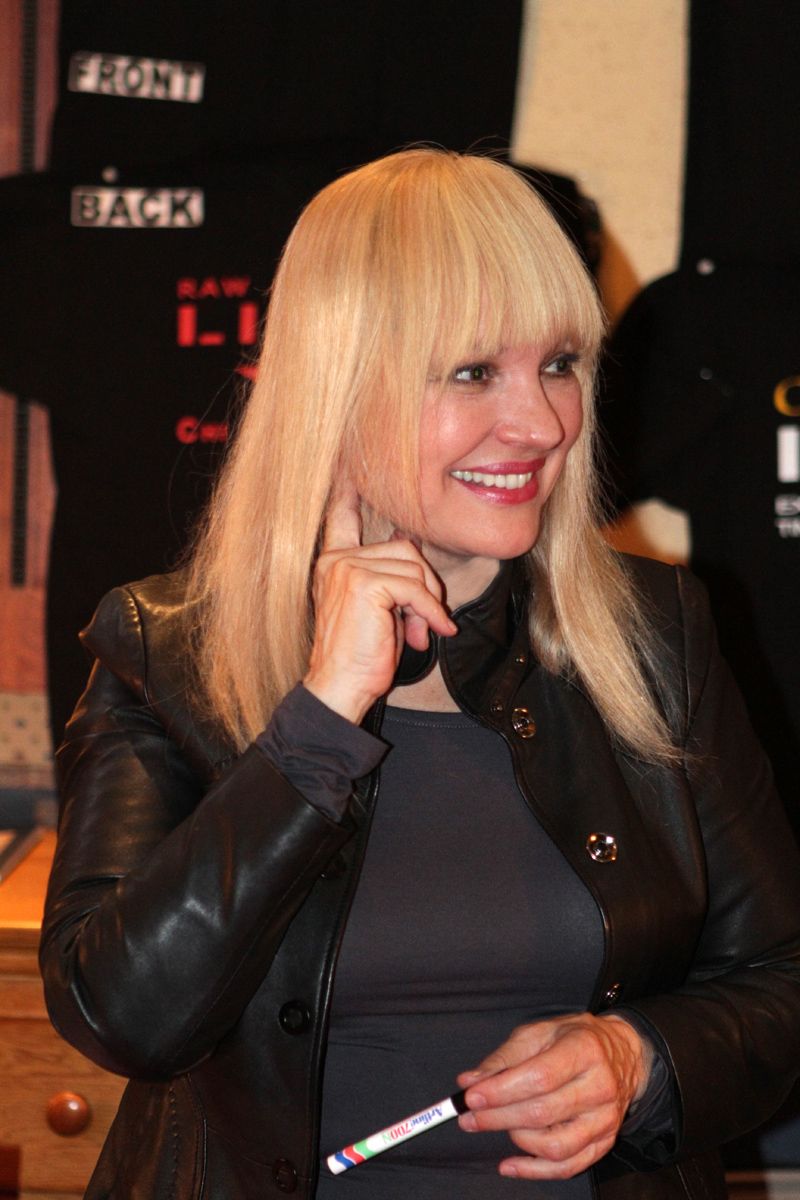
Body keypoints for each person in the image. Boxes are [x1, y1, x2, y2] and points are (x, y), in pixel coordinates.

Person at [40, 149, 800, 1200]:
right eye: (471, 372)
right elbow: (122, 1018)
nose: (542, 423)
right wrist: (317, 724)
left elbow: (780, 980)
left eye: (560, 363)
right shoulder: (165, 648)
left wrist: (641, 1060)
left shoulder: (653, 635)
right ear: (339, 386)